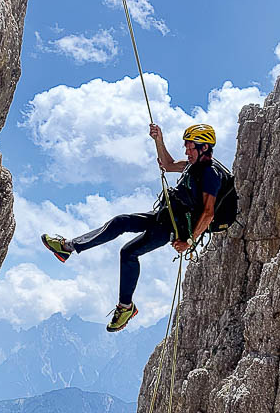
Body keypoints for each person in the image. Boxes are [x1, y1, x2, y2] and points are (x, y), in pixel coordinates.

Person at [41, 123, 223, 332]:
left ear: (205, 148)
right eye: (186, 146)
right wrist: (158, 140)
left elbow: (208, 213)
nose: (186, 151)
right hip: (163, 217)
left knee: (128, 253)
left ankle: (125, 307)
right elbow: (167, 164)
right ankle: (68, 247)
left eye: (190, 147)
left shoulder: (210, 174)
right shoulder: (193, 166)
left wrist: (189, 242)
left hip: (171, 228)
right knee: (121, 222)